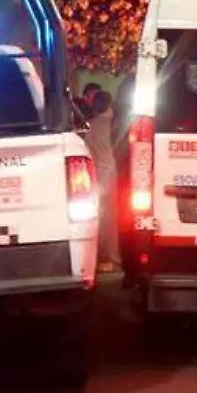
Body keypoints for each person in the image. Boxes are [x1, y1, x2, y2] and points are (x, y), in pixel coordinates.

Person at [84, 90, 120, 269]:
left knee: (100, 218)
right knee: (109, 218)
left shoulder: (91, 124)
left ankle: (102, 258)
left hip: (97, 176)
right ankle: (110, 257)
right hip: (108, 174)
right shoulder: (111, 123)